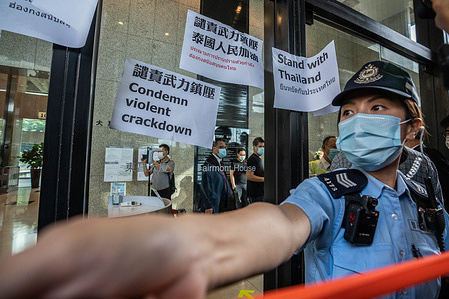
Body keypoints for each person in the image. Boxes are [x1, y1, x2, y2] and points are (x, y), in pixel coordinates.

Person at [1, 61, 449, 299]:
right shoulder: (328, 192)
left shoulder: (427, 195)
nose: (356, 120)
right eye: (348, 112)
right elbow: (277, 224)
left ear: (412, 127)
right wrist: (196, 243)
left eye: (377, 108)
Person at [198, 138, 232, 213]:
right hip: (213, 204)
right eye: (221, 147)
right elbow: (205, 187)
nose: (224, 149)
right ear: (214, 148)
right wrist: (208, 206)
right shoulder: (209, 164)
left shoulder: (220, 162)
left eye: (225, 147)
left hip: (222, 201)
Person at [246, 137, 265, 203]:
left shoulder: (259, 159)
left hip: (260, 193)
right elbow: (249, 176)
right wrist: (264, 179)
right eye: (260, 146)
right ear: (254, 147)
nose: (262, 148)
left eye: (263, 146)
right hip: (255, 195)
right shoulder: (252, 159)